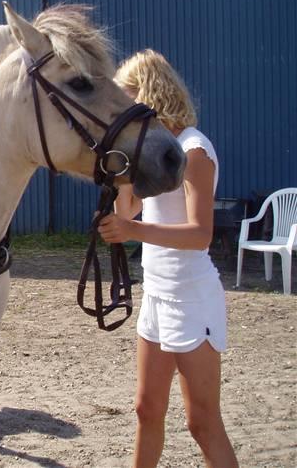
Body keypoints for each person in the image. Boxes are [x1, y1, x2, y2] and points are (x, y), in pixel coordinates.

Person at [98, 49, 238, 468]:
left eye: (128, 101)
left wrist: (133, 232)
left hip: (192, 297)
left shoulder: (194, 150)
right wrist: (123, 181)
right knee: (146, 410)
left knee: (202, 422)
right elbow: (129, 214)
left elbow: (200, 234)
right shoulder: (154, 153)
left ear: (150, 95)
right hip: (157, 294)